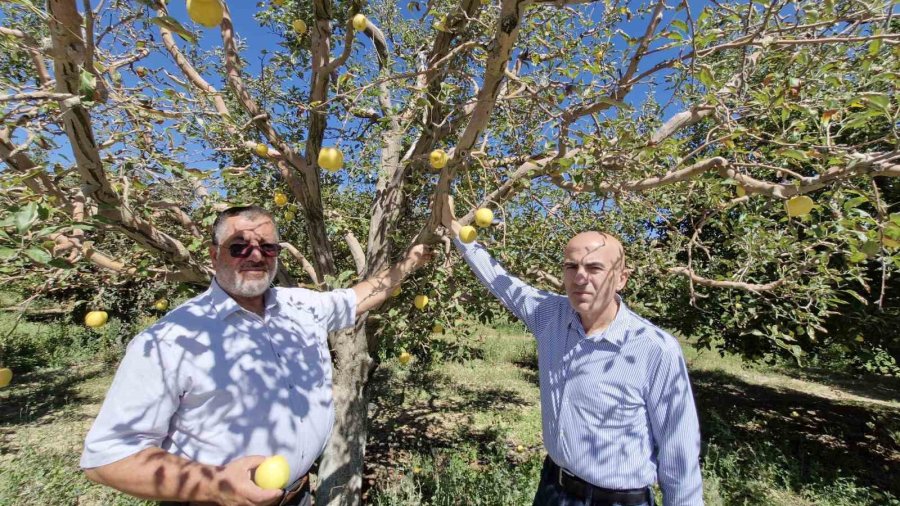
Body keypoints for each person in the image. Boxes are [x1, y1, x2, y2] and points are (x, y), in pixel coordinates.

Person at [81, 205, 432, 506]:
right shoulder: (169, 340)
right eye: (239, 247)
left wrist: (409, 262)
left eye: (267, 247)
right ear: (213, 254)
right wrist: (215, 484)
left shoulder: (300, 305)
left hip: (297, 495)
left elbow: (360, 298)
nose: (255, 255)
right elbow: (109, 457)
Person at [441, 198, 703, 506]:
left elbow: (679, 452)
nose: (580, 278)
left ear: (621, 278)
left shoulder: (653, 348)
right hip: (553, 488)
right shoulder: (550, 315)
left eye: (594, 268)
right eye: (571, 266)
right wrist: (456, 230)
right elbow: (501, 282)